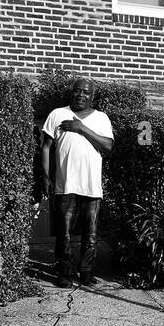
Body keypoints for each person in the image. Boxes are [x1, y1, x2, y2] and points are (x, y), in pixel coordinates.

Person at [37, 78, 113, 287]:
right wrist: (45, 177)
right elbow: (46, 148)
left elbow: (108, 146)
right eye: (77, 91)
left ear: (92, 96)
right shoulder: (57, 114)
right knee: (65, 233)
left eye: (86, 92)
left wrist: (81, 128)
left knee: (90, 234)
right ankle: (64, 272)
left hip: (91, 187)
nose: (81, 95)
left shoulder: (101, 118)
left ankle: (86, 272)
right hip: (65, 184)